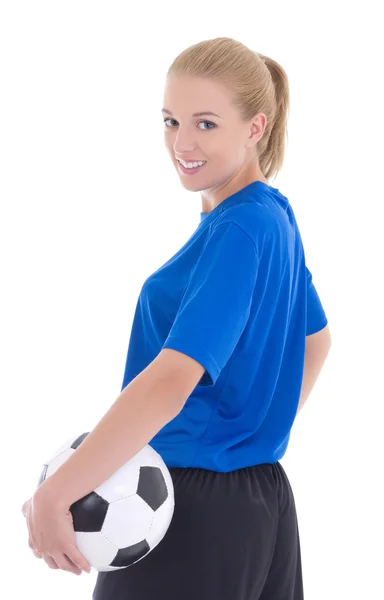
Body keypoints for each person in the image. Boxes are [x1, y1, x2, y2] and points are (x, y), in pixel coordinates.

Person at [90, 37, 332, 599]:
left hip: (191, 507)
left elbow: (173, 379)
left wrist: (59, 494)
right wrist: (249, 432)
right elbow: (315, 339)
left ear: (255, 127)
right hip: (260, 500)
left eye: (205, 124)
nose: (181, 142)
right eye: (171, 121)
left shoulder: (237, 231)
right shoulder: (271, 216)